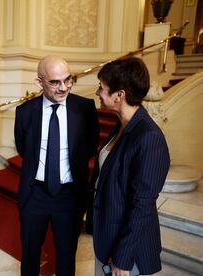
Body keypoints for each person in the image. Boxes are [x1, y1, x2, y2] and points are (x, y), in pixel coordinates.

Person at [14, 55, 99, 276]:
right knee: (30, 255)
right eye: (55, 82)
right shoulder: (24, 112)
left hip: (69, 196)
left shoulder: (85, 108)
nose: (64, 87)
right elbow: (24, 149)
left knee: (66, 255)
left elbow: (90, 147)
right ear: (39, 82)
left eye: (68, 80)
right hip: (35, 194)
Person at [91, 57, 170, 276]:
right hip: (108, 238)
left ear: (119, 95)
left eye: (102, 88)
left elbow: (142, 205)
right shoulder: (122, 125)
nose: (98, 92)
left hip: (129, 253)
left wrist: (122, 259)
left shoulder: (148, 137)